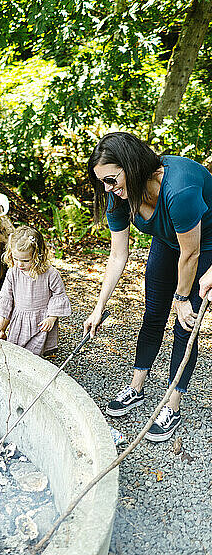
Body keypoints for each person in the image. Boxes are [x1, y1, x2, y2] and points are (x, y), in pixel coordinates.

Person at [84, 132, 212, 442]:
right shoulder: (119, 195)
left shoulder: (178, 189)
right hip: (169, 241)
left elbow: (191, 254)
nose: (108, 188)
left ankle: (172, 405)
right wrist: (99, 307)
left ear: (132, 166)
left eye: (112, 179)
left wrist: (182, 297)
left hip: (205, 243)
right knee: (153, 313)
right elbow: (117, 255)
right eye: (103, 182)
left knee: (185, 324)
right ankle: (136, 387)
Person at [0, 225, 71, 356]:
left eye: (25, 260)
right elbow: (6, 297)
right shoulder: (13, 272)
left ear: (38, 256)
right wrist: (0, 323)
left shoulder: (50, 274)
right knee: (16, 352)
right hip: (20, 320)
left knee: (34, 354)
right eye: (16, 259)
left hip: (41, 321)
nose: (20, 264)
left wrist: (52, 318)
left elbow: (58, 295)